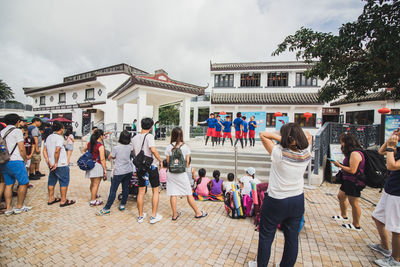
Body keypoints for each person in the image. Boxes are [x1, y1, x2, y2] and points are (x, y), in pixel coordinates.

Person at [251, 123, 311, 267]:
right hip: (297, 199)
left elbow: (262, 135)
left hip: (276, 200)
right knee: (292, 237)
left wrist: (282, 138)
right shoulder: (306, 151)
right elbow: (308, 136)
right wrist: (291, 138)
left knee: (266, 236)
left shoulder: (279, 153)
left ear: (286, 138)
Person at [369, 129, 400, 266]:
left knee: (396, 228)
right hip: (390, 189)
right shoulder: (396, 146)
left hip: (398, 193)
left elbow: (391, 166)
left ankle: (395, 259)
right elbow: (381, 152)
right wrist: (390, 141)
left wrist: (391, 147)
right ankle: (385, 247)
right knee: (377, 217)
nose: (397, 132)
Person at [165, 127, 207, 220]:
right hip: (181, 174)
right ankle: (198, 213)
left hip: (171, 173)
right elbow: (187, 164)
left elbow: (168, 162)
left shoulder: (169, 147)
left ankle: (175, 215)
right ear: (181, 135)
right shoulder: (185, 147)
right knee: (188, 193)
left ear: (173, 135)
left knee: (173, 194)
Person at [331, 133, 365, 231]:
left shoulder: (355, 153)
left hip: (354, 181)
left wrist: (339, 165)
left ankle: (356, 225)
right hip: (347, 180)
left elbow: (353, 170)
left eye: (342, 142)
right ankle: (344, 215)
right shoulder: (351, 153)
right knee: (341, 196)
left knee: (354, 202)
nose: (341, 144)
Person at [132, 118, 163, 224]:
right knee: (155, 190)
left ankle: (140, 216)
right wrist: (160, 160)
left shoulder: (135, 138)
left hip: (140, 167)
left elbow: (135, 152)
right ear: (151, 127)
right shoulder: (149, 136)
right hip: (151, 166)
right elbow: (153, 150)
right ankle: (153, 216)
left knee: (141, 192)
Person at [0, 113, 31, 216]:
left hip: (4, 161)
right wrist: (25, 159)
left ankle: (9, 208)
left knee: (9, 184)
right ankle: (19, 206)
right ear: (17, 122)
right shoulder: (17, 131)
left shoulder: (2, 131)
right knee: (23, 182)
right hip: (16, 160)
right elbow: (21, 148)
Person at [97, 130, 133, 215]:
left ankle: (107, 208)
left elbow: (110, 157)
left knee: (113, 190)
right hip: (128, 170)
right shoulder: (130, 147)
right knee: (125, 188)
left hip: (118, 172)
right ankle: (123, 204)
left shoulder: (116, 148)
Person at [43, 122, 75, 207]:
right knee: (64, 181)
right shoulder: (59, 138)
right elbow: (57, 150)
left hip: (51, 164)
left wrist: (48, 160)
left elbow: (44, 150)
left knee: (51, 181)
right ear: (61, 129)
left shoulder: (48, 137)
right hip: (61, 163)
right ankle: (63, 200)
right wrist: (56, 162)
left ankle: (51, 198)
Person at [82, 129, 107, 206]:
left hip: (90, 164)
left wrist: (88, 157)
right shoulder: (100, 146)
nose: (104, 136)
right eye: (103, 135)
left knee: (92, 183)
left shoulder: (90, 143)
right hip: (97, 165)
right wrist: (105, 170)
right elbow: (102, 159)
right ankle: (93, 200)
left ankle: (93, 195)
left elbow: (83, 150)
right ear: (100, 136)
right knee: (96, 184)